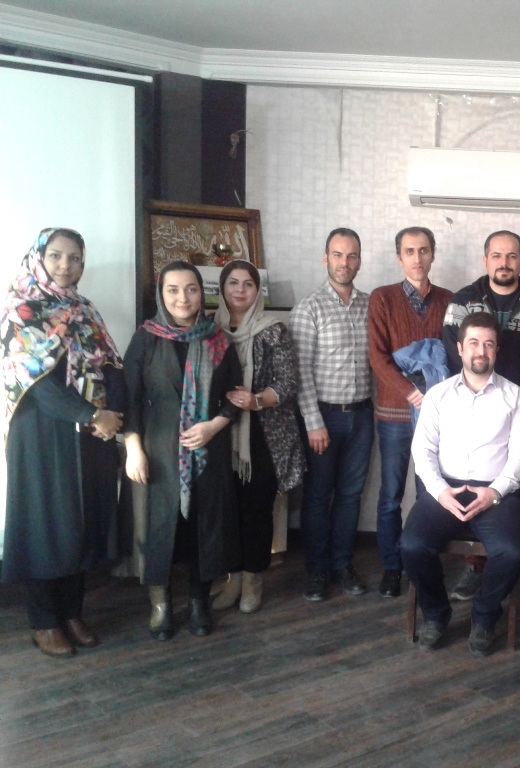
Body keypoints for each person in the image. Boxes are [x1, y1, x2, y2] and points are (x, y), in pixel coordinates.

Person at [0, 228, 124, 657]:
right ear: (39, 257)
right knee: (45, 524)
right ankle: (44, 620)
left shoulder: (84, 309)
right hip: (41, 435)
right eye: (56, 256)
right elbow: (36, 385)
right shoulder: (21, 309)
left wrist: (112, 418)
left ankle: (72, 612)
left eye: (74, 258)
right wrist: (91, 414)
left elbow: (110, 364)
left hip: (90, 435)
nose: (65, 266)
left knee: (82, 521)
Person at [123, 261, 242, 640]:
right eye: (172, 290)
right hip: (157, 449)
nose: (183, 298)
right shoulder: (146, 338)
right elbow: (129, 399)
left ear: (201, 293)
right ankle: (160, 604)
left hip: (208, 448)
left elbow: (235, 395)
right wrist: (133, 449)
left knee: (202, 530)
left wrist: (213, 426)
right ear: (161, 294)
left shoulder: (218, 339)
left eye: (191, 289)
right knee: (157, 527)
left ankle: (197, 602)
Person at [402, 312, 520, 656]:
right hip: (446, 491)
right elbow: (422, 449)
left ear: (497, 350)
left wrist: (495, 491)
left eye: (488, 344)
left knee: (512, 552)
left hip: (495, 493)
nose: (481, 351)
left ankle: (485, 616)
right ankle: (435, 614)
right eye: (473, 343)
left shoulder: (516, 397)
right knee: (412, 546)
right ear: (460, 349)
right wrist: (439, 491)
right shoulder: (438, 396)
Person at [441, 230, 520, 606]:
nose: (504, 263)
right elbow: (452, 355)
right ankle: (477, 568)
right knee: (474, 488)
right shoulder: (463, 301)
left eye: (511, 256)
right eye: (496, 255)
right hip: (475, 416)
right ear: (485, 260)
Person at [211, 261, 305, 613]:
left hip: (263, 435)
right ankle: (233, 579)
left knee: (256, 510)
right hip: (220, 434)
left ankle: (253, 580)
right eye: (232, 283)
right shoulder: (210, 330)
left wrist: (257, 400)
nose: (240, 290)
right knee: (227, 510)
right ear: (222, 289)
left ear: (258, 291)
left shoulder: (273, 330)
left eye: (248, 284)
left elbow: (288, 382)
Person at [368, 227, 452, 598]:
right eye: (409, 251)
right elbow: (377, 356)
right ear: (399, 257)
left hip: (435, 418)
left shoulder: (449, 300)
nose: (417, 258)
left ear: (432, 254)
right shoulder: (382, 298)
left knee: (428, 493)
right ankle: (391, 567)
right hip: (394, 415)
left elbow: (453, 357)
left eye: (423, 250)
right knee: (390, 495)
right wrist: (411, 392)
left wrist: (432, 400)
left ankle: (422, 563)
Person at [291, 228, 374, 602]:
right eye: (338, 255)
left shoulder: (371, 305)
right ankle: (316, 570)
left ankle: (342, 565)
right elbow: (301, 370)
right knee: (317, 496)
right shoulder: (309, 308)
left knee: (351, 495)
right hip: (323, 417)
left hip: (362, 416)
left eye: (352, 255)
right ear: (326, 259)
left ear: (359, 261)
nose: (345, 262)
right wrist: (313, 423)